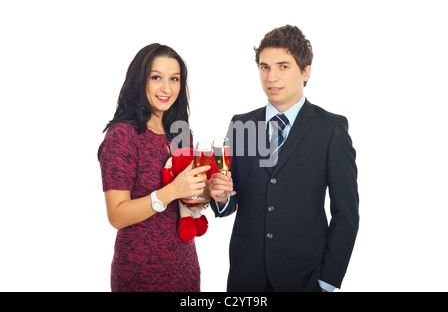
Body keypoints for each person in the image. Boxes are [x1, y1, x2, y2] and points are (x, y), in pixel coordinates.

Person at [208, 25, 359, 292]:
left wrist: (327, 281)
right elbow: (232, 200)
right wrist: (221, 198)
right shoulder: (241, 125)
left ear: (305, 71)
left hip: (304, 279)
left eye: (283, 66)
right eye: (264, 67)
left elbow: (346, 215)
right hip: (246, 278)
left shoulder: (331, 129)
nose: (271, 77)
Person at [98, 43, 210, 292]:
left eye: (174, 79)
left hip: (184, 269)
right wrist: (171, 190)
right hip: (140, 276)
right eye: (156, 77)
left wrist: (207, 191)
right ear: (140, 80)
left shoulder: (181, 135)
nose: (166, 88)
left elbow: (186, 200)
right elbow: (116, 215)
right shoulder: (122, 136)